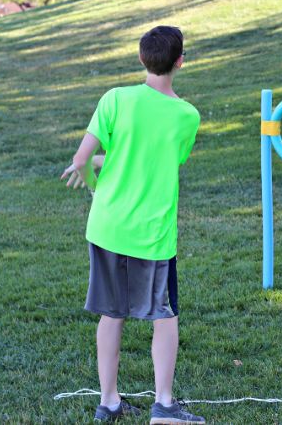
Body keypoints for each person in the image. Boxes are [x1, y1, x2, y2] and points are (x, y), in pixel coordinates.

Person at [61, 25, 205, 424]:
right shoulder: (186, 116)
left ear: (142, 59)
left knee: (112, 314)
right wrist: (105, 165)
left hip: (106, 227)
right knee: (165, 316)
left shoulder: (115, 99)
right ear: (179, 62)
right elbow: (161, 161)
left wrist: (96, 185)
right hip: (152, 235)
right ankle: (164, 405)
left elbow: (82, 160)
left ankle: (108, 402)